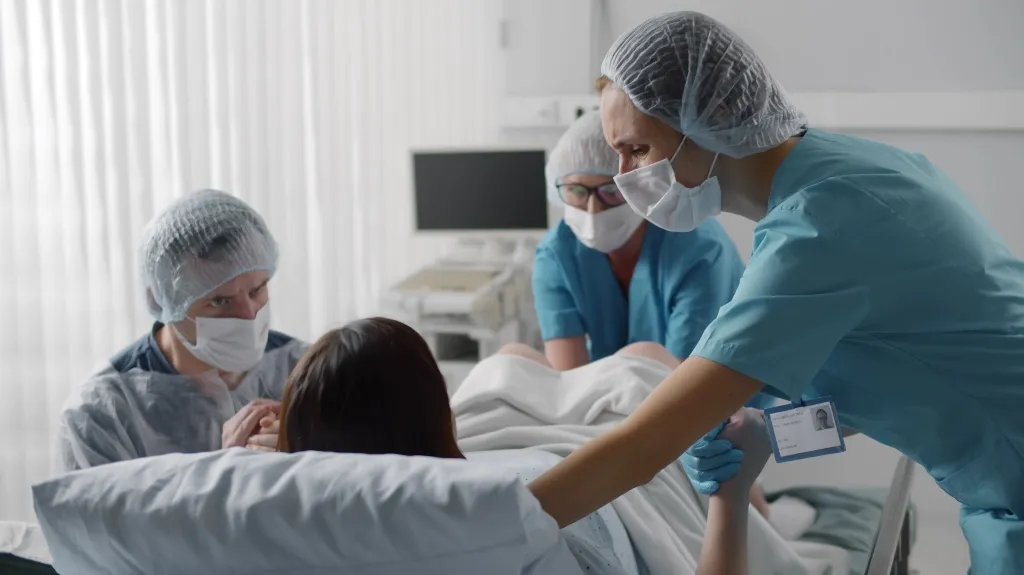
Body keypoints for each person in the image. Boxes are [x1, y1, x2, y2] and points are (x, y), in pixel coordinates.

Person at [526, 11, 1024, 575]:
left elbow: (645, 445)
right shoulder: (848, 171)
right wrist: (772, 432)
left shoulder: (819, 230)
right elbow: (905, 383)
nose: (622, 177)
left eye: (636, 150)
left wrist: (492, 525)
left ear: (709, 118)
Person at [276, 318, 772, 574]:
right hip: (581, 472)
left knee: (512, 357)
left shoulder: (278, 520)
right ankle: (763, 511)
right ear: (435, 414)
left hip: (494, 441)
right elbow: (629, 457)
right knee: (643, 359)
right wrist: (730, 494)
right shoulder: (506, 528)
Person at [58, 189, 307, 471]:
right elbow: (104, 515)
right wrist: (224, 477)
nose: (248, 315)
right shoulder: (103, 414)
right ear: (161, 301)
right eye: (218, 301)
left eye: (257, 289)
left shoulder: (306, 369)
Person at [534, 110, 745, 371]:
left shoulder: (700, 251)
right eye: (576, 191)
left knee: (647, 355)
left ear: (640, 186)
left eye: (611, 191)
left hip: (713, 403)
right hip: (611, 398)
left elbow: (685, 387)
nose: (592, 210)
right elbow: (567, 378)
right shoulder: (556, 254)